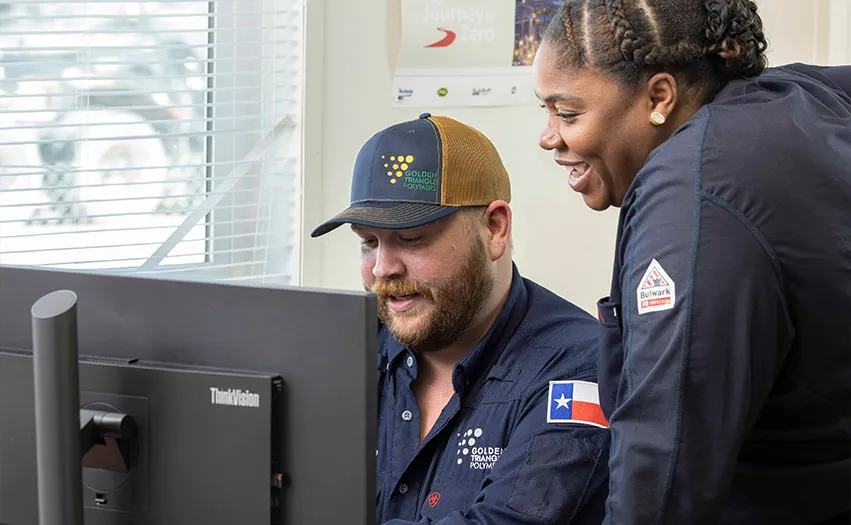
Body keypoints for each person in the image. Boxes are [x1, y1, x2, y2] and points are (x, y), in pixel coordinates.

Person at [532, 1, 851, 524]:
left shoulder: (691, 192)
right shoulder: (801, 100)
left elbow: (663, 462)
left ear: (660, 95)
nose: (549, 137)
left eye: (567, 113)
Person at [311, 113, 610, 524]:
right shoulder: (345, 351)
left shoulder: (581, 367)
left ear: (495, 228)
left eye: (412, 239)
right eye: (368, 243)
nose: (382, 269)